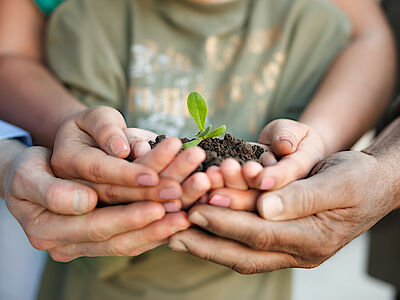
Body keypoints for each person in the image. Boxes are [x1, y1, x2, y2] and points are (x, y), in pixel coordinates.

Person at [0, 0, 395, 300]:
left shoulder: (308, 22)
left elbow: (368, 38)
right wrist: (71, 127)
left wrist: (317, 141)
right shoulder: (86, 20)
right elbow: (11, 54)